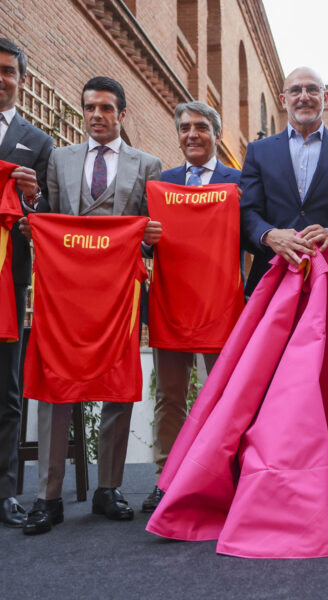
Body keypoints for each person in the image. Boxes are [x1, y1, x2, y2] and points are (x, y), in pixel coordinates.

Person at [22, 76, 162, 535]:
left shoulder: (148, 165)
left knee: (119, 387)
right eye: (89, 108)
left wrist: (149, 241)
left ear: (122, 114)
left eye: (105, 108)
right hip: (66, 296)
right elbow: (53, 222)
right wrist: (34, 225)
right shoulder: (60, 160)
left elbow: (151, 243)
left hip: (120, 296)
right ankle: (48, 496)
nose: (96, 116)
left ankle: (108, 488)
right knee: (55, 384)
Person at [142, 101, 241, 513]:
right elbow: (144, 244)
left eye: (201, 127)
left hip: (222, 307)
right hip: (171, 305)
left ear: (216, 134)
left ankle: (228, 476)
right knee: (170, 397)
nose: (191, 135)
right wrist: (145, 238)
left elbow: (252, 233)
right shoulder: (161, 183)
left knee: (227, 398)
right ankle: (168, 479)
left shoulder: (239, 182)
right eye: (184, 128)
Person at [240, 66, 328, 312]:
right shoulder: (259, 151)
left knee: (326, 351)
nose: (304, 96)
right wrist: (269, 235)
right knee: (271, 352)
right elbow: (247, 212)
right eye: (295, 90)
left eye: (312, 89)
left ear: (325, 97)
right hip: (271, 277)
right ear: (283, 99)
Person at [0, 38, 53, 528]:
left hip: (6, 281)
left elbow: (46, 218)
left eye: (8, 71)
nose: (1, 77)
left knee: (7, 389)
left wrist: (32, 203)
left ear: (21, 79)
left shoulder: (36, 142)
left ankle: (5, 492)